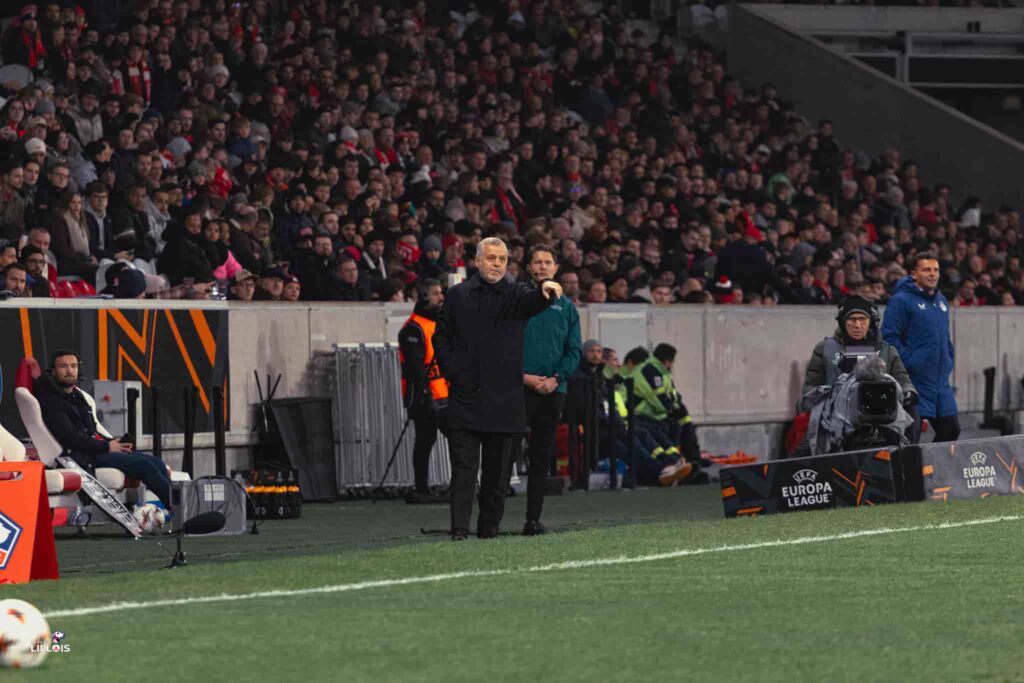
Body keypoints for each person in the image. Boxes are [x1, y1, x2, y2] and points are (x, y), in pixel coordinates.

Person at [433, 237, 563, 540]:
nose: (496, 264)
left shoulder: (517, 294)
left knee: (498, 474)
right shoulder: (457, 295)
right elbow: (441, 339)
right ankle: (459, 530)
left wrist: (547, 292)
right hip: (466, 396)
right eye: (490, 258)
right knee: (464, 470)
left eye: (502, 259)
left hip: (505, 399)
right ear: (477, 261)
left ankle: (489, 529)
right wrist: (454, 374)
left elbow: (535, 300)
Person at [35, 349, 172, 507]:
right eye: (63, 366)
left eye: (73, 366)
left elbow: (91, 431)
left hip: (95, 450)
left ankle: (178, 507)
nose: (69, 370)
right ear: (53, 371)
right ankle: (178, 508)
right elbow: (71, 439)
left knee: (157, 462)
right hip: (80, 458)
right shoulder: (52, 402)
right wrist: (107, 446)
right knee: (145, 466)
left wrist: (114, 443)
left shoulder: (78, 396)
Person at [518, 245, 581, 535]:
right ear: (529, 268)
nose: (542, 267)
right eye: (537, 262)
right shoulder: (518, 299)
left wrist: (555, 379)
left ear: (556, 268)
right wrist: (525, 377)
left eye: (548, 262)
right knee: (504, 454)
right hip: (519, 388)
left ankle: (533, 519)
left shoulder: (567, 307)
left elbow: (574, 350)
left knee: (541, 456)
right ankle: (489, 522)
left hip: (554, 390)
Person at [881, 253, 960, 442]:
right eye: (926, 270)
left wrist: (949, 358)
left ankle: (935, 471)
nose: (932, 274)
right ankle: (910, 472)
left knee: (951, 430)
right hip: (914, 381)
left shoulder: (941, 301)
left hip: (940, 382)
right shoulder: (901, 300)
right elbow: (889, 337)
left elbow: (944, 337)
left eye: (935, 270)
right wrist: (910, 362)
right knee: (910, 437)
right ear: (914, 274)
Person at [398, 278, 449, 504]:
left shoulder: (438, 323)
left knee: (457, 441)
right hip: (424, 397)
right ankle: (421, 487)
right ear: (424, 296)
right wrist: (425, 394)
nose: (441, 297)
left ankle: (457, 485)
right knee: (424, 442)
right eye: (436, 293)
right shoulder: (413, 328)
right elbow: (415, 368)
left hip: (445, 395)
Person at [631, 343, 706, 480]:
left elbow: (673, 395)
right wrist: (673, 408)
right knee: (663, 430)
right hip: (642, 415)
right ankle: (674, 462)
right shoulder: (650, 371)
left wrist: (678, 407)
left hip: (655, 414)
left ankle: (692, 457)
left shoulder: (662, 373)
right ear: (667, 361)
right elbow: (659, 400)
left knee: (684, 421)